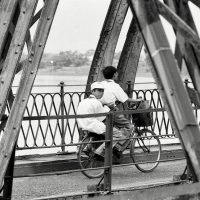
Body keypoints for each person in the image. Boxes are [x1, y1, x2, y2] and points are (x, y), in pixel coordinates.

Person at [76, 81, 128, 161]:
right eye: (99, 90)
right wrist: (110, 109)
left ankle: (87, 148)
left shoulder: (83, 101)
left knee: (101, 132)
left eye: (102, 91)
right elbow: (102, 117)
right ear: (93, 91)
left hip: (82, 124)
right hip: (92, 125)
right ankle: (101, 152)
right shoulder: (96, 102)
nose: (101, 93)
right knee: (117, 134)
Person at [100, 66, 142, 132]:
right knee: (128, 126)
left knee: (109, 129)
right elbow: (125, 99)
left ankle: (112, 139)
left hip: (98, 110)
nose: (117, 75)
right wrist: (137, 100)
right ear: (114, 74)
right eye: (116, 73)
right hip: (110, 111)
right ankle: (119, 142)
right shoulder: (115, 86)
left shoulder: (100, 84)